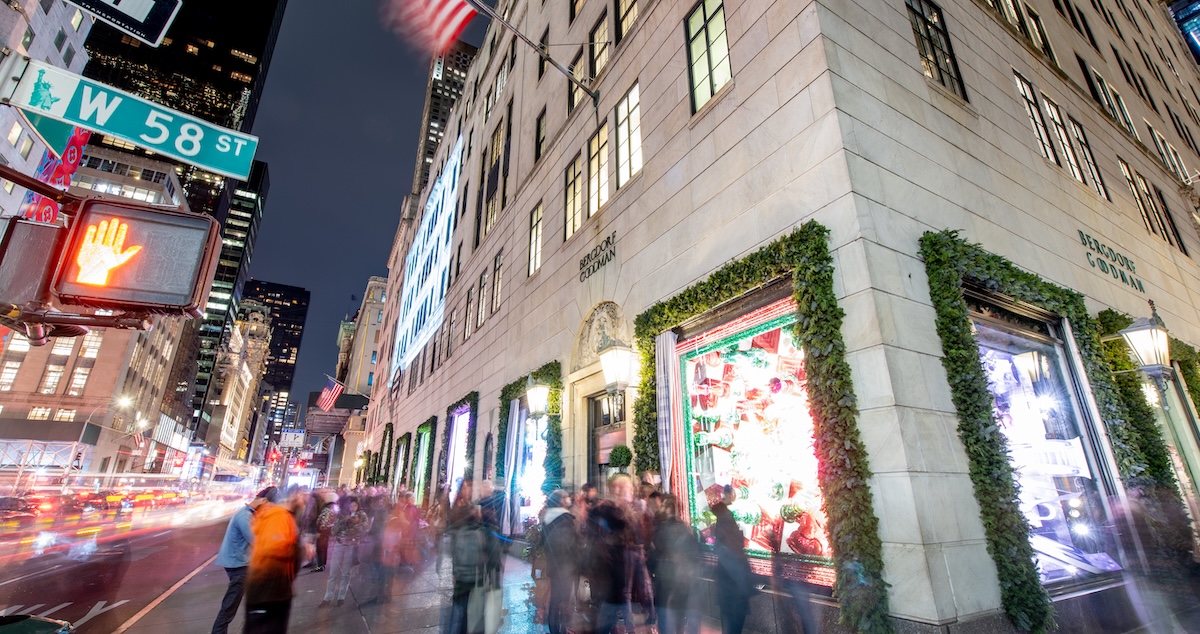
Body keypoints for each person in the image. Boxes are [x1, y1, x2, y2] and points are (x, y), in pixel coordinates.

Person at [244, 487, 303, 633]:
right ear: (292, 497)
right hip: (269, 592)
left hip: (271, 591)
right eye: (302, 496)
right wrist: (299, 549)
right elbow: (273, 548)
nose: (304, 500)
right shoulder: (279, 516)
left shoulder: (278, 516)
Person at [210, 490, 268, 634]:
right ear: (263, 501)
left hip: (241, 563)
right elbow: (256, 540)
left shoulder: (248, 514)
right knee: (230, 606)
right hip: (239, 565)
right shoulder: (245, 516)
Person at [649, 494, 700, 634]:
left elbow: (651, 559)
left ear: (670, 508)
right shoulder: (685, 528)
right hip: (681, 586)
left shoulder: (664, 529)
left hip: (668, 585)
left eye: (661, 505)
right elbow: (694, 556)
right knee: (678, 623)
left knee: (668, 623)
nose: (657, 509)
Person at [712, 485, 752, 634]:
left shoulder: (726, 545)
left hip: (730, 591)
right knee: (733, 624)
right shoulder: (726, 522)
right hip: (733, 591)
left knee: (730, 623)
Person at [321, 496, 369, 606]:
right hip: (339, 544)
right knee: (333, 572)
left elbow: (365, 529)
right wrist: (344, 521)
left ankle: (341, 597)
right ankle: (328, 597)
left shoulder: (361, 515)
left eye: (355, 506)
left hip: (351, 545)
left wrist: (356, 523)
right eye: (351, 506)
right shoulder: (340, 515)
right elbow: (333, 531)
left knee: (346, 572)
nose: (353, 508)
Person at [542, 490, 578, 634]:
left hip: (555, 565)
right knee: (562, 602)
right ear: (562, 501)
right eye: (567, 497)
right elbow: (567, 544)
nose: (569, 499)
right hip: (564, 567)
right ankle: (560, 630)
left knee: (556, 601)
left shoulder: (548, 518)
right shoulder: (563, 519)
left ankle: (557, 629)